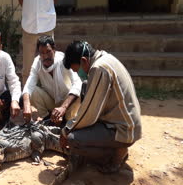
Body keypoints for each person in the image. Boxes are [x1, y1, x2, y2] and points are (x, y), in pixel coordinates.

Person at [61, 41, 142, 173]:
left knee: (73, 140)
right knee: (85, 85)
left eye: (77, 70)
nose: (78, 73)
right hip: (126, 123)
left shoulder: (99, 68)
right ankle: (116, 147)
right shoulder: (105, 57)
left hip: (124, 129)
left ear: (83, 60)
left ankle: (114, 155)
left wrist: (66, 130)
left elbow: (88, 114)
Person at [22, 36, 82, 125]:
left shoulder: (63, 60)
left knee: (78, 94)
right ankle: (48, 119)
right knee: (33, 91)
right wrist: (26, 105)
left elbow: (77, 83)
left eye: (48, 51)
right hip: (52, 102)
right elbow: (28, 86)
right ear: (39, 54)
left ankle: (67, 122)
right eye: (42, 53)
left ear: (54, 50)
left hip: (67, 103)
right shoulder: (37, 62)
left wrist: (63, 107)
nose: (45, 56)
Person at [15, 0, 63, 85]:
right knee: (27, 67)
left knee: (50, 64)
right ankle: (26, 97)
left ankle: (52, 96)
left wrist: (45, 10)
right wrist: (30, 13)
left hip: (47, 25)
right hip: (29, 26)